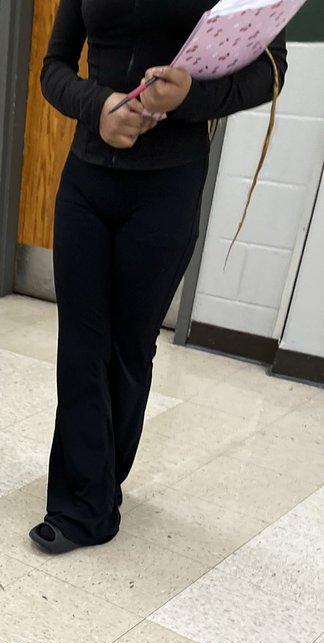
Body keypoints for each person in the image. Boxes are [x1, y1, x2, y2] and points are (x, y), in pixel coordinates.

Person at [30, 1, 287, 553]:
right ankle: (82, 506)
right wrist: (97, 105)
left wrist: (191, 97)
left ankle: (101, 482)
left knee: (128, 349)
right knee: (80, 345)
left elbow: (270, 71)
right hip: (86, 179)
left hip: (168, 184)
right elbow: (53, 68)